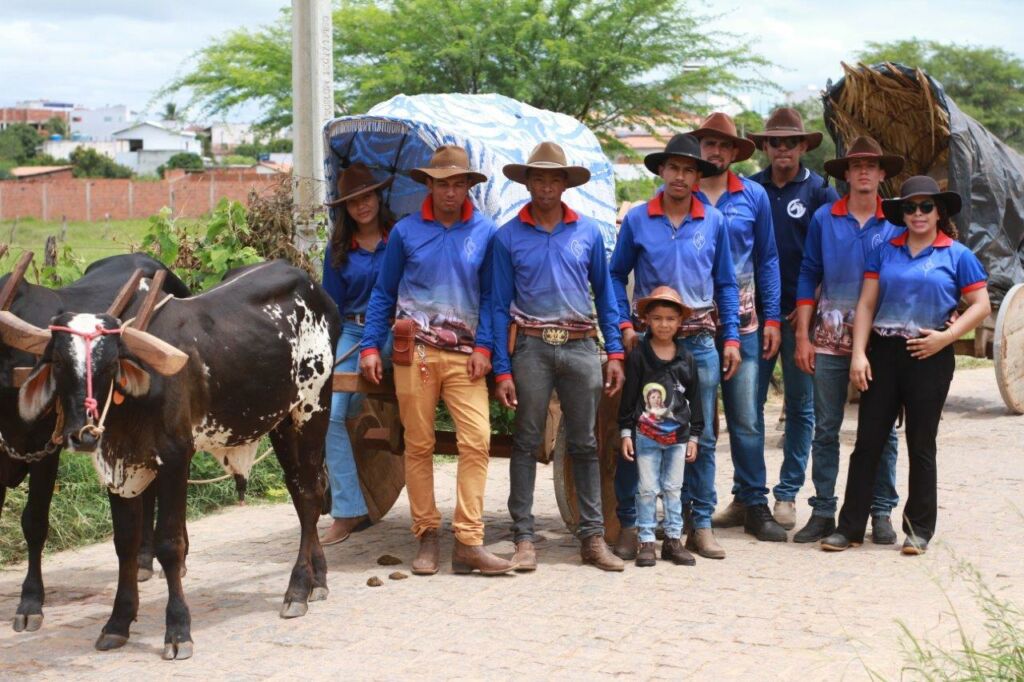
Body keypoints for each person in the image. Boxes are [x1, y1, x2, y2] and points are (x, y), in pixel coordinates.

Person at [359, 145, 515, 576]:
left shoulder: (485, 234)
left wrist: (485, 349)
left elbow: (492, 299)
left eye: (458, 183)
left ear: (469, 186)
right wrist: (371, 346)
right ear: (429, 184)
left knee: (477, 440)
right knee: (419, 444)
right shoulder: (406, 233)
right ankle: (427, 535)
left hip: (467, 358)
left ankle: (468, 540)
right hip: (417, 355)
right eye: (443, 183)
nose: (451, 191)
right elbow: (383, 293)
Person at [822, 176, 990, 554]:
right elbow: (866, 305)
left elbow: (981, 305)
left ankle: (918, 531)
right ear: (902, 213)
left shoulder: (957, 254)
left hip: (930, 355)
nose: (918, 213)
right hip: (883, 352)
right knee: (868, 442)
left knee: (921, 443)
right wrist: (859, 354)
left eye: (926, 207)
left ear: (938, 212)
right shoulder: (885, 250)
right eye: (910, 207)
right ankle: (848, 528)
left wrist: (946, 338)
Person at [492, 141, 626, 572]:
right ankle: (524, 538)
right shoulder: (507, 237)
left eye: (554, 178)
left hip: (582, 345)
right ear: (527, 182)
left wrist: (616, 352)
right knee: (527, 442)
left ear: (566, 185)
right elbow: (496, 305)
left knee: (585, 442)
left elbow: (606, 296)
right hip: (531, 345)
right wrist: (501, 368)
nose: (546, 186)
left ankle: (592, 537)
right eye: (538, 178)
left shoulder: (587, 232)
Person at [610, 133, 739, 561]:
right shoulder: (638, 220)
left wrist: (732, 336)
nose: (680, 176)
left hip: (699, 338)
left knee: (697, 431)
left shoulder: (715, 222)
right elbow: (615, 274)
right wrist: (624, 325)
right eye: (673, 168)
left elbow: (725, 283)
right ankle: (632, 524)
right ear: (661, 171)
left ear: (698, 176)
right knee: (639, 426)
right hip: (648, 344)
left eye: (689, 169)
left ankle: (699, 524)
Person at [793, 136, 903, 544]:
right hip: (827, 337)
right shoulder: (825, 218)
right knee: (826, 427)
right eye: (856, 165)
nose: (863, 172)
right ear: (846, 173)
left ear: (882, 174)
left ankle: (881, 509)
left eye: (871, 166)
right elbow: (808, 273)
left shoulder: (895, 221)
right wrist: (803, 335)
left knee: (883, 430)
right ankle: (823, 509)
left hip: (880, 341)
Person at [690, 112, 786, 543]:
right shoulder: (680, 192)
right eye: (707, 143)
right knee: (696, 422)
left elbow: (767, 257)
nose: (715, 151)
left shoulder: (753, 196)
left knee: (746, 418)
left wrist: (772, 318)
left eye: (722, 145)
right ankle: (696, 507)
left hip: (745, 324)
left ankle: (753, 502)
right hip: (690, 325)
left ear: (734, 152)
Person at [746, 108, 839, 531]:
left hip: (803, 320)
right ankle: (748, 497)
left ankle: (786, 495)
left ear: (804, 146)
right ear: (765, 147)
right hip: (756, 319)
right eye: (775, 142)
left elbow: (829, 259)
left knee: (800, 408)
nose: (782, 149)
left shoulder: (820, 193)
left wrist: (808, 318)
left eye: (790, 142)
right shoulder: (750, 191)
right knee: (748, 407)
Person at [320, 163, 395, 546]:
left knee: (360, 394)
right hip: (350, 329)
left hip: (396, 331)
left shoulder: (399, 238)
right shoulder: (337, 250)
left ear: (378, 197)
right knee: (332, 415)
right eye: (352, 202)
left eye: (366, 197)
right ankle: (348, 511)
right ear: (345, 209)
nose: (361, 206)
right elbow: (330, 307)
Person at [618, 286, 704, 567]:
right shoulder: (640, 356)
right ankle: (645, 541)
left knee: (673, 488)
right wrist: (626, 432)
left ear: (680, 322)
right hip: (646, 435)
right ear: (646, 321)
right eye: (657, 318)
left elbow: (697, 401)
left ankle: (672, 540)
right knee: (645, 488)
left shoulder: (686, 359)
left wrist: (694, 436)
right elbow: (629, 397)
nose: (663, 324)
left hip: (678, 437)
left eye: (670, 318)